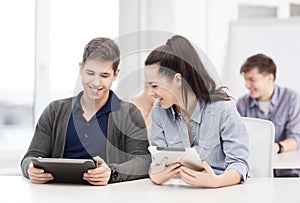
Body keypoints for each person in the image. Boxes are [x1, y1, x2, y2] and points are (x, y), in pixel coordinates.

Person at [21, 37, 151, 185]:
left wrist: (111, 173)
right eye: (90, 73)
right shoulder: (54, 111)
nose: (96, 82)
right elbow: (31, 157)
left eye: (104, 75)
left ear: (116, 74)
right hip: (57, 193)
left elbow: (144, 161)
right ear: (80, 68)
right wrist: (30, 168)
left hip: (107, 195)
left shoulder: (129, 114)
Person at [144, 35, 249, 188]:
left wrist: (216, 182)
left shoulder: (222, 109)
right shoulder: (159, 111)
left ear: (178, 80)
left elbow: (239, 164)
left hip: (221, 194)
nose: (150, 94)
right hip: (179, 191)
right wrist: (156, 174)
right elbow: (157, 161)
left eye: (155, 86)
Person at [237, 53, 300, 177]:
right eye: (246, 80)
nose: (247, 85)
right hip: (254, 174)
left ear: (270, 78)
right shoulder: (242, 104)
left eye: (252, 80)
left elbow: (295, 139)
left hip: (287, 173)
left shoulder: (291, 99)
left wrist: (276, 147)